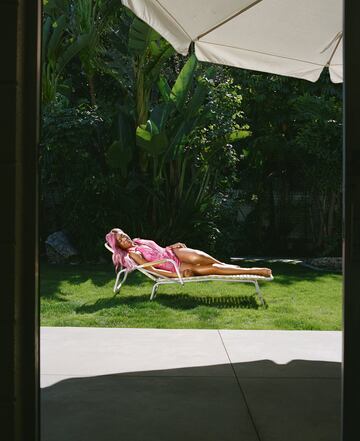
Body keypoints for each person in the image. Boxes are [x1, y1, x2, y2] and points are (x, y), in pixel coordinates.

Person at [106, 228, 272, 278]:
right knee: (213, 268)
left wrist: (171, 246)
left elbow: (158, 250)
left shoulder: (138, 241)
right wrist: (176, 276)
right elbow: (153, 270)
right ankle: (253, 270)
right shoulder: (134, 253)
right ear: (119, 245)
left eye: (123, 234)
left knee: (202, 257)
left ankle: (228, 266)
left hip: (173, 253)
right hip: (174, 266)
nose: (125, 238)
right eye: (121, 239)